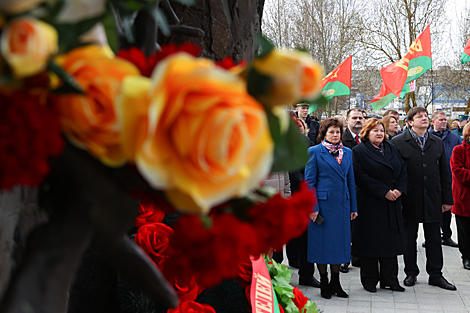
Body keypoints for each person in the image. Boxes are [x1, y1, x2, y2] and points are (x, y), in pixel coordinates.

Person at [391, 107, 456, 291]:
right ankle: (411, 272)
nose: (424, 119)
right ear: (410, 122)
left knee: (434, 237)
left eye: (426, 116)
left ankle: (436, 274)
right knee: (409, 238)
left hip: (433, 196)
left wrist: (447, 199)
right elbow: (396, 173)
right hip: (409, 197)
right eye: (420, 117)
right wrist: (399, 198)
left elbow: (444, 171)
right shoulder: (398, 142)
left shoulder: (436, 141)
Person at [351, 118, 407, 293]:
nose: (379, 133)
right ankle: (370, 280)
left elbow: (403, 169)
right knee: (371, 243)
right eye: (375, 130)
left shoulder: (391, 148)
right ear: (367, 133)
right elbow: (360, 176)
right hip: (371, 203)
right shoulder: (359, 151)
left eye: (381, 130)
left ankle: (390, 279)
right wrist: (384, 191)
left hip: (392, 203)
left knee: (390, 243)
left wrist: (399, 190)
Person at [305, 118, 358, 299]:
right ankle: (324, 282)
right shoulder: (314, 151)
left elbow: (351, 180)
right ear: (324, 134)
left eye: (338, 132)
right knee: (322, 246)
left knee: (338, 246)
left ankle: (336, 282)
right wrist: (313, 207)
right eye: (332, 132)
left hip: (342, 206)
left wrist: (353, 206)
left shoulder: (348, 152)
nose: (335, 135)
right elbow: (309, 182)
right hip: (322, 208)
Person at [426, 111, 460, 248]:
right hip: (432, 178)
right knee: (431, 208)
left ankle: (446, 235)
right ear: (433, 122)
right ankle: (432, 236)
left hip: (449, 178)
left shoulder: (454, 138)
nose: (444, 122)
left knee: (446, 208)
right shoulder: (427, 137)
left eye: (445, 119)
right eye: (441, 119)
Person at [340, 108, 364, 273]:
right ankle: (343, 258)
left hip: (364, 190)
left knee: (360, 226)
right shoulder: (341, 139)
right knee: (345, 226)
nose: (358, 120)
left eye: (361, 118)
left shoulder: (367, 138)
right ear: (347, 120)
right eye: (354, 118)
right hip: (347, 189)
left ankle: (358, 256)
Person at [450, 123, 470, 271]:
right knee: (465, 232)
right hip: (464, 199)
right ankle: (467, 257)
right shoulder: (459, 150)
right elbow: (459, 172)